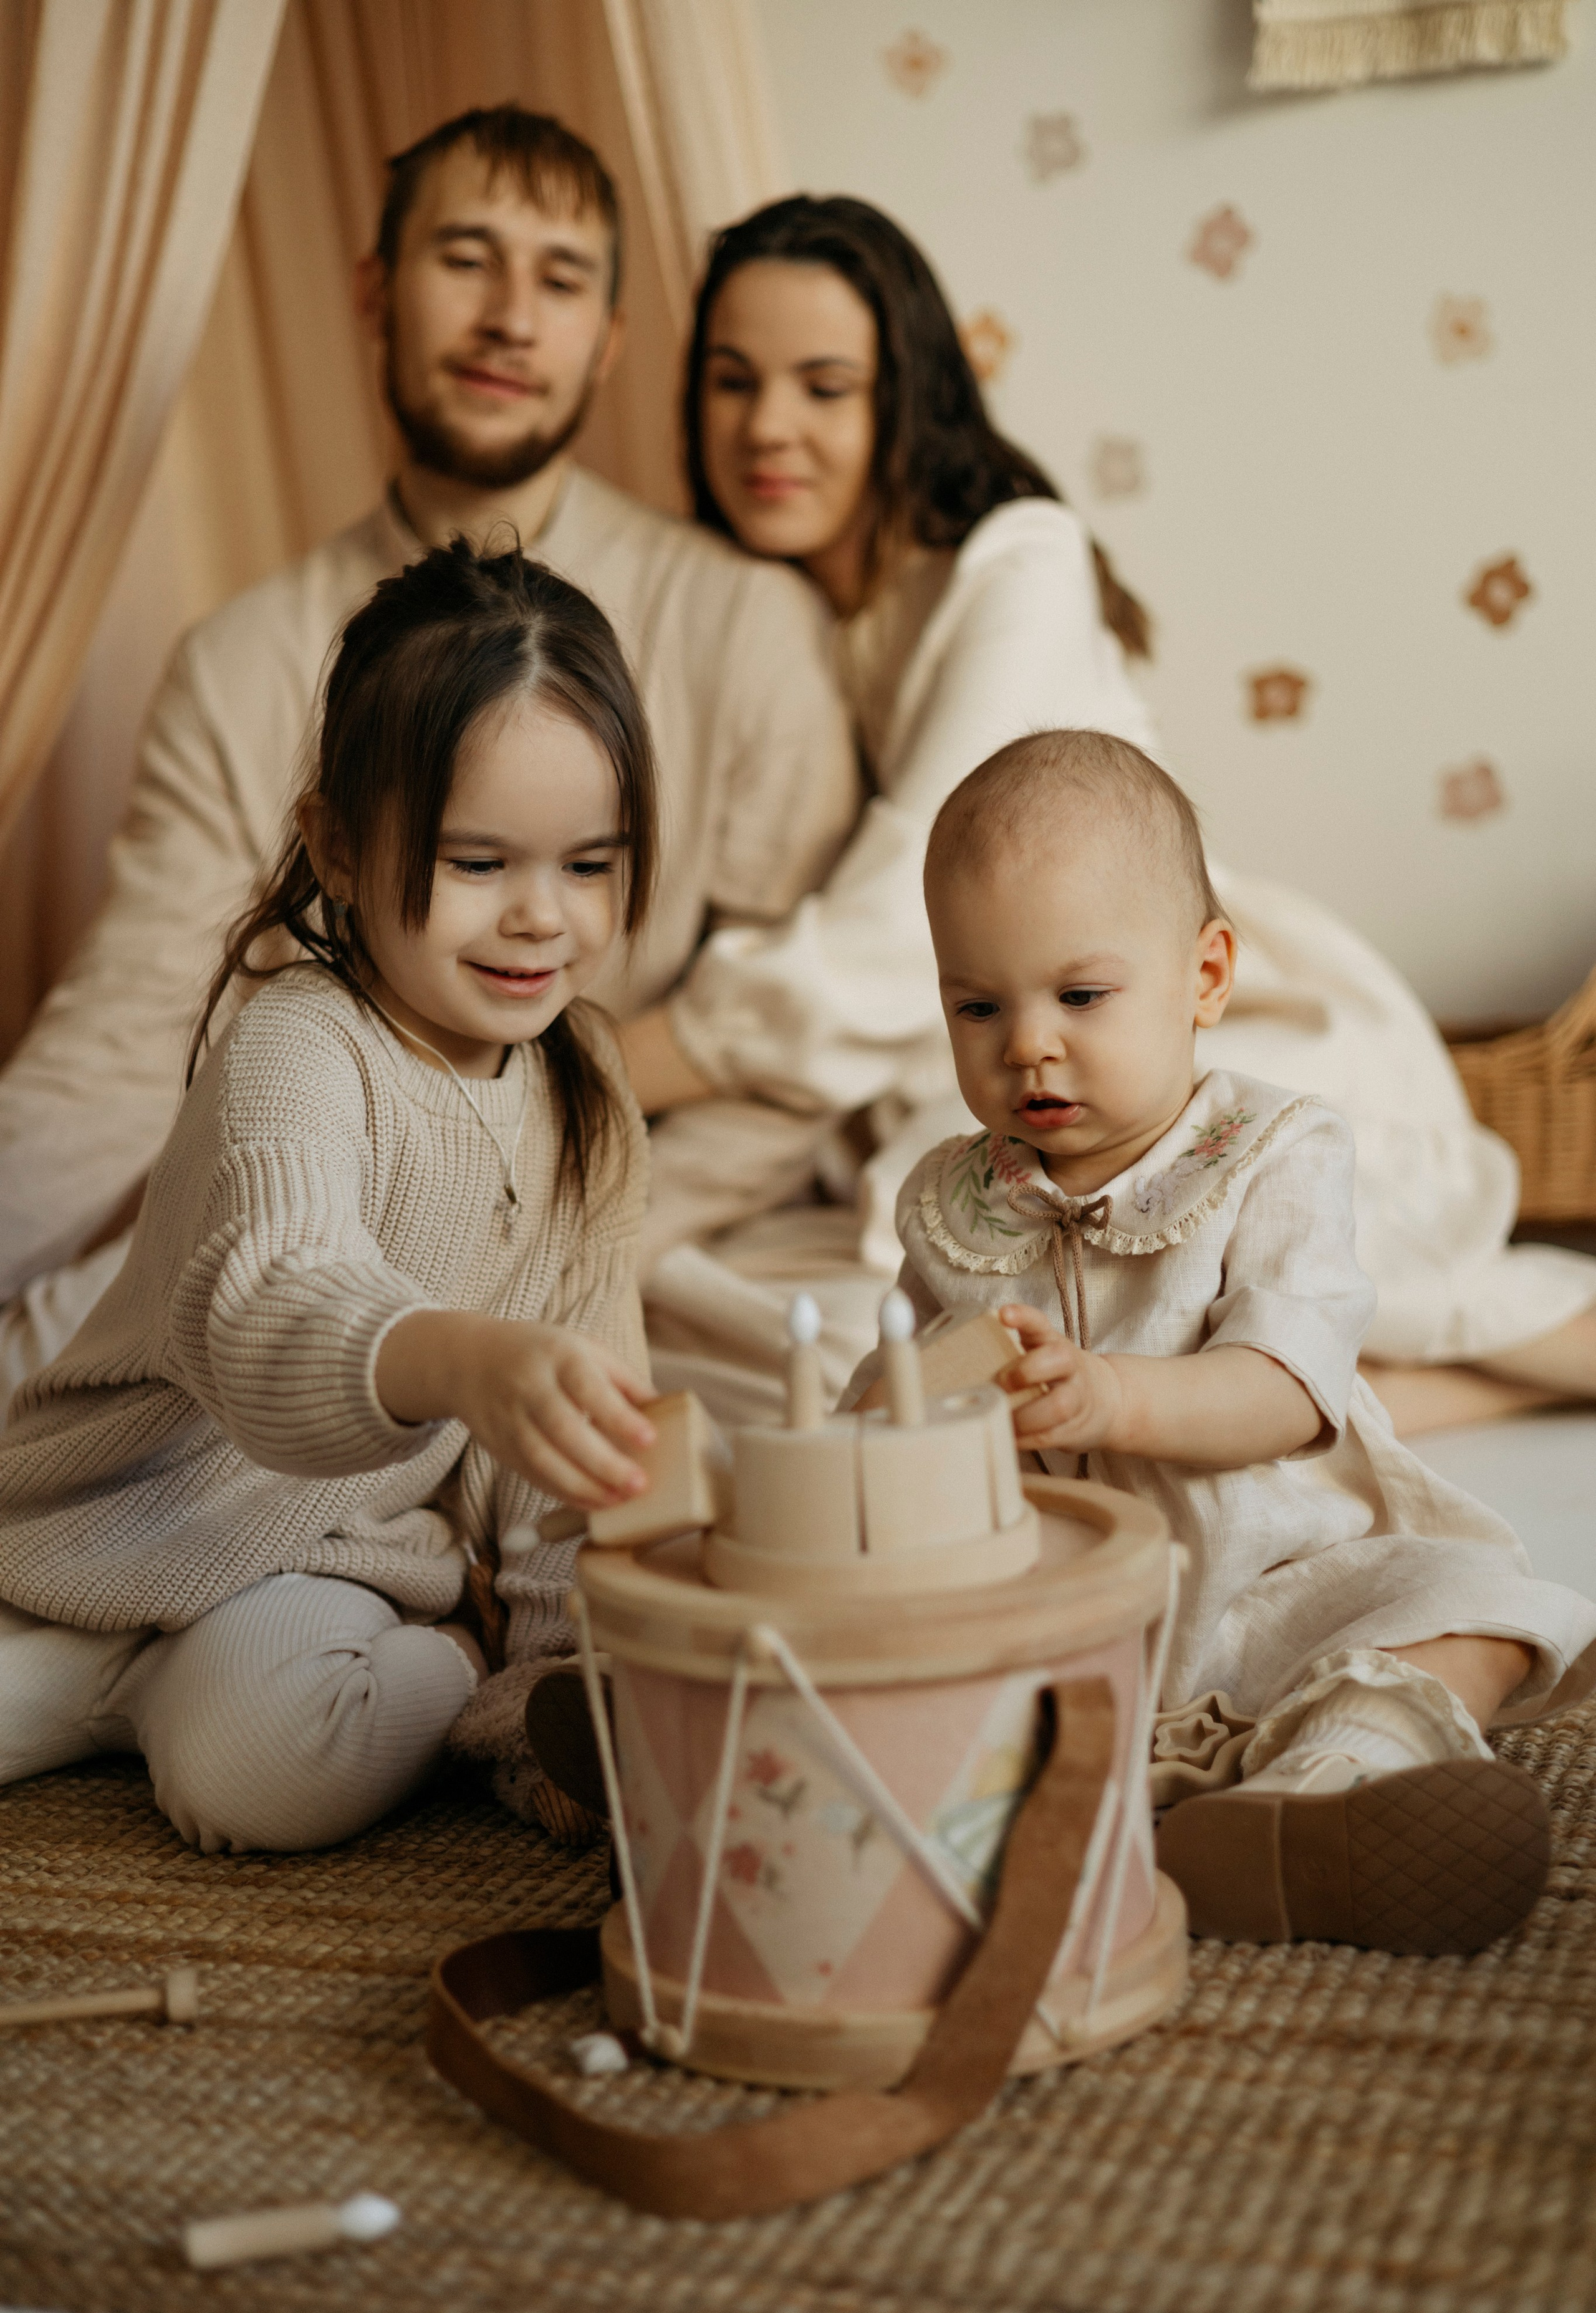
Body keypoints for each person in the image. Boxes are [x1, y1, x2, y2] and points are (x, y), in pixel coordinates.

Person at [641, 193, 1596, 1429]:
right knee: (842, 1305)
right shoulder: (761, 619)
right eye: (731, 381)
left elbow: (885, 937)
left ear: (907, 398)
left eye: (824, 386)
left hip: (1166, 1015)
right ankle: (1373, 1398)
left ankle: (1498, 1354)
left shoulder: (1015, 559)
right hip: (979, 1053)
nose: (767, 425)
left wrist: (615, 1060)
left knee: (1179, 1221)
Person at [0, 107, 860, 1406]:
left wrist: (546, 1255)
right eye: (466, 256)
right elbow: (127, 1046)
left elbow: (787, 1061)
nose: (512, 316)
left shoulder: (746, 624)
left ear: (609, 341)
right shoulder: (240, 659)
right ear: (375, 292)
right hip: (321, 1230)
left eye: (561, 278)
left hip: (637, 1239)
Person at [848, 729, 1594, 1953]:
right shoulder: (955, 1200)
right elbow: (905, 1373)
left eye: (1080, 997)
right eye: (975, 1005)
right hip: (1051, 1614)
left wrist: (1109, 1402)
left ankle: (1330, 1788)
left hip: (1265, 1582)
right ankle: (747, 1748)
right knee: (864, 1630)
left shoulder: (1273, 1154)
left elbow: (1286, 1389)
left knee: (1470, 1605)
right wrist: (891, 1419)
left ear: (1203, 977)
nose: (1026, 1043)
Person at [0, 541, 661, 1854]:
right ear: (341, 850)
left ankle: (451, 1664)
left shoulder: (586, 1094)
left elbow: (573, 1445)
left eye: (588, 865)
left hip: (310, 1576)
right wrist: (457, 1360)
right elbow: (274, 1301)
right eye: (480, 864)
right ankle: (161, 1688)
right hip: (85, 1548)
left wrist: (544, 1678)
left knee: (257, 1774)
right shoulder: (299, 1044)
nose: (543, 920)